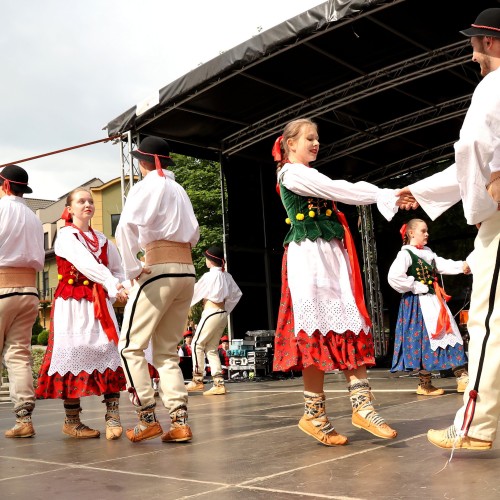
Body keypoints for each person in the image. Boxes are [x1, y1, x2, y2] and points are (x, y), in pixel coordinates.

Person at [397, 8, 500, 451]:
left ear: (490, 42)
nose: (472, 52)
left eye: (475, 42)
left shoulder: (493, 85)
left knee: (488, 323)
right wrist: (420, 190)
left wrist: (491, 184)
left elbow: (473, 149)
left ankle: (474, 427)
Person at [272, 118, 399, 446]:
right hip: (309, 260)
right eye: (309, 139)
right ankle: (316, 414)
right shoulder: (292, 173)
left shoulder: (309, 173)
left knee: (348, 325)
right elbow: (338, 189)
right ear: (290, 144)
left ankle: (360, 406)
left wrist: (388, 195)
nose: (315, 144)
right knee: (315, 332)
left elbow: (337, 189)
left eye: (317, 139)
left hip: (331, 257)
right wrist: (387, 195)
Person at [116, 135, 199, 443]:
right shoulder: (179, 189)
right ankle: (179, 422)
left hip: (159, 270)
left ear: (141, 163)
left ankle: (147, 417)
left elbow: (125, 227)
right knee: (166, 351)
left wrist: (133, 268)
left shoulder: (146, 186)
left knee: (129, 346)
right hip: (186, 271)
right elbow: (194, 236)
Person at [36, 188, 127, 440]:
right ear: (70, 208)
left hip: (99, 302)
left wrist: (122, 287)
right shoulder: (66, 236)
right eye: (81, 201)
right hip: (72, 304)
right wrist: (113, 285)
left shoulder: (104, 239)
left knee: (109, 350)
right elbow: (87, 264)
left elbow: (118, 270)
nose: (87, 204)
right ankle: (72, 420)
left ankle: (113, 416)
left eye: (90, 200)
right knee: (72, 354)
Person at [388, 218, 470, 395]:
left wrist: (461, 265)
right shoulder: (405, 254)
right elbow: (394, 277)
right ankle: (425, 384)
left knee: (450, 333)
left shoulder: (428, 252)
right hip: (418, 304)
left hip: (434, 300)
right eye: (423, 231)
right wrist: (417, 286)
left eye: (427, 231)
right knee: (424, 340)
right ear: (411, 233)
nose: (427, 234)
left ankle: (462, 377)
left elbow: (442, 264)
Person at [0, 165, 44, 438]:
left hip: (2, 287)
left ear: (5, 186)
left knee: (16, 355)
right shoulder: (33, 217)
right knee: (19, 355)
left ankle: (24, 420)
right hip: (29, 290)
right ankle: (23, 418)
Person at [187, 246, 242, 395]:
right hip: (222, 313)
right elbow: (237, 294)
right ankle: (219, 383)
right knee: (211, 348)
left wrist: (179, 302)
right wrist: (226, 309)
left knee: (196, 343)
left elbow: (193, 292)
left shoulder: (209, 276)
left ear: (210, 261)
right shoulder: (227, 276)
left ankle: (197, 380)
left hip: (211, 312)